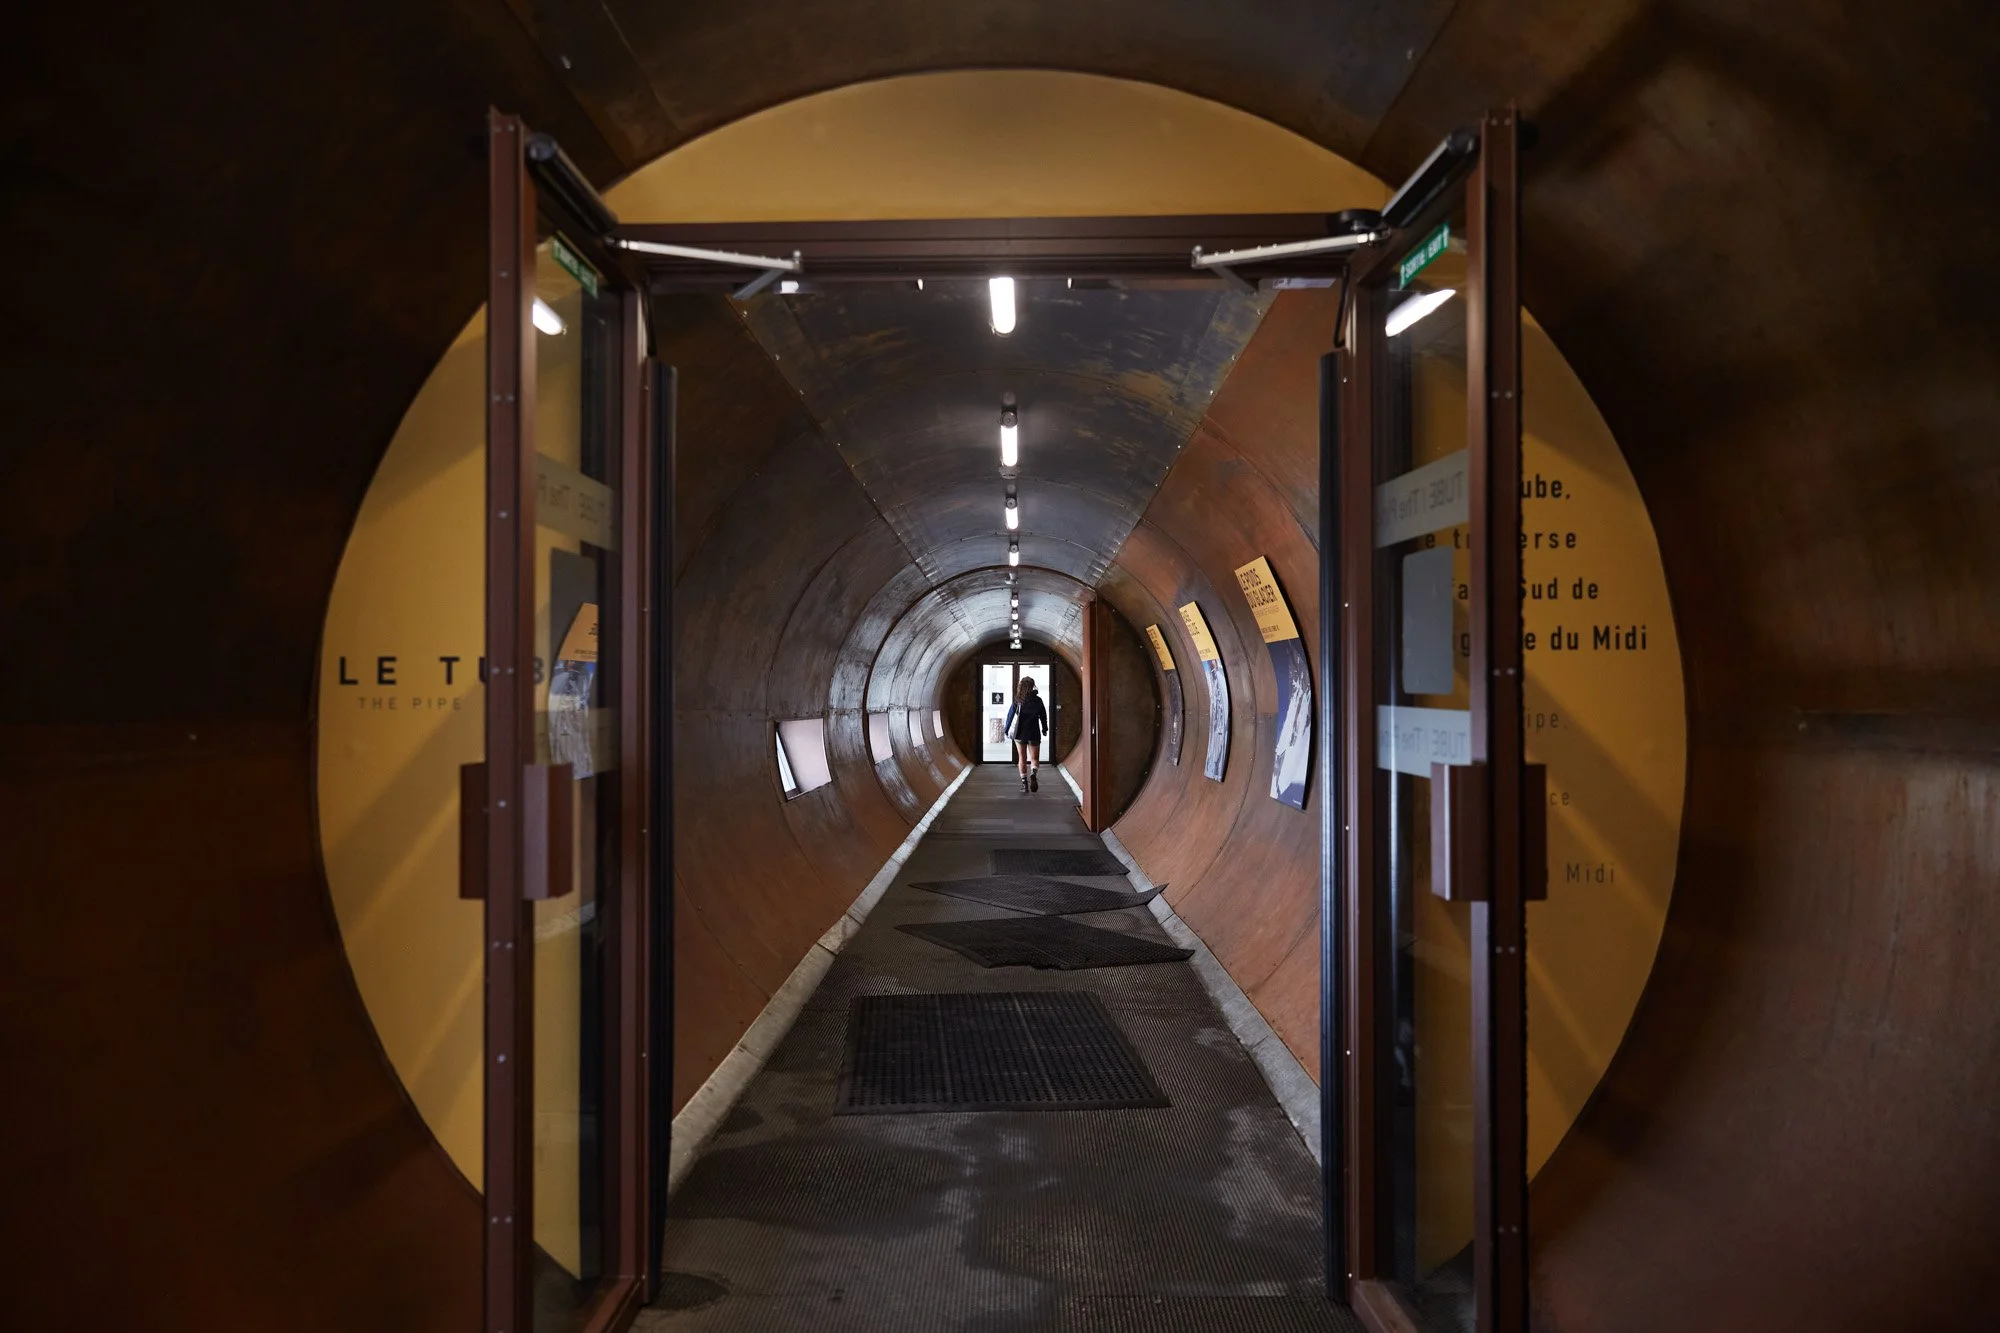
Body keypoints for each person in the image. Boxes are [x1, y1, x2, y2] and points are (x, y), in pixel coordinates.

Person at [1002, 675, 1048, 793]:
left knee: (1022, 758)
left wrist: (1006, 730)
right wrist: (1044, 728)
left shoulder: (1018, 700)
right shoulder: (1038, 700)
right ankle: (1033, 772)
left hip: (1020, 733)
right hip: (1034, 732)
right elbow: (1043, 715)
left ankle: (1024, 784)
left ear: (1021, 687)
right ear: (1032, 686)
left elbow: (1010, 717)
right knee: (1035, 757)